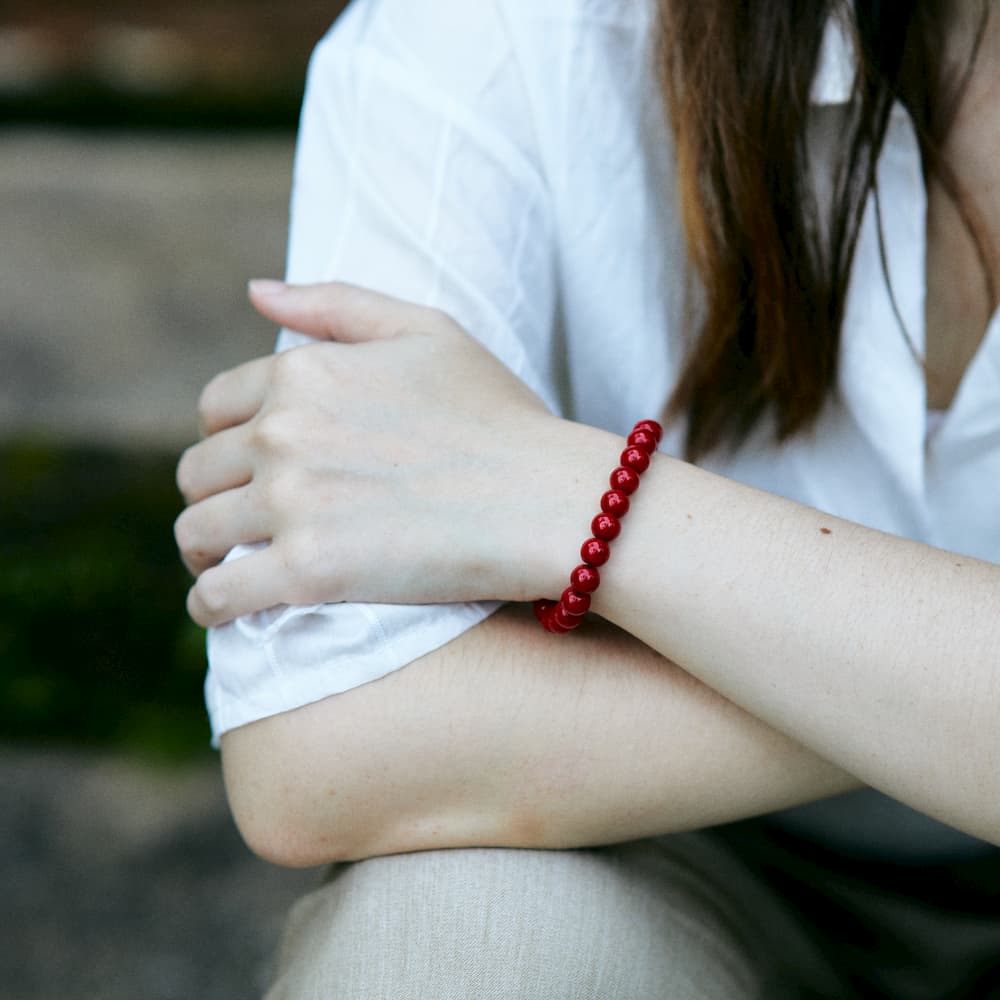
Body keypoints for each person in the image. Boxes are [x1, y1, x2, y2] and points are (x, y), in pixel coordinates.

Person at [174, 0, 1000, 995]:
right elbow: (321, 746)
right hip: (673, 840)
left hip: (614, 755)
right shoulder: (503, 32)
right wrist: (945, 690)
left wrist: (575, 499)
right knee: (457, 956)